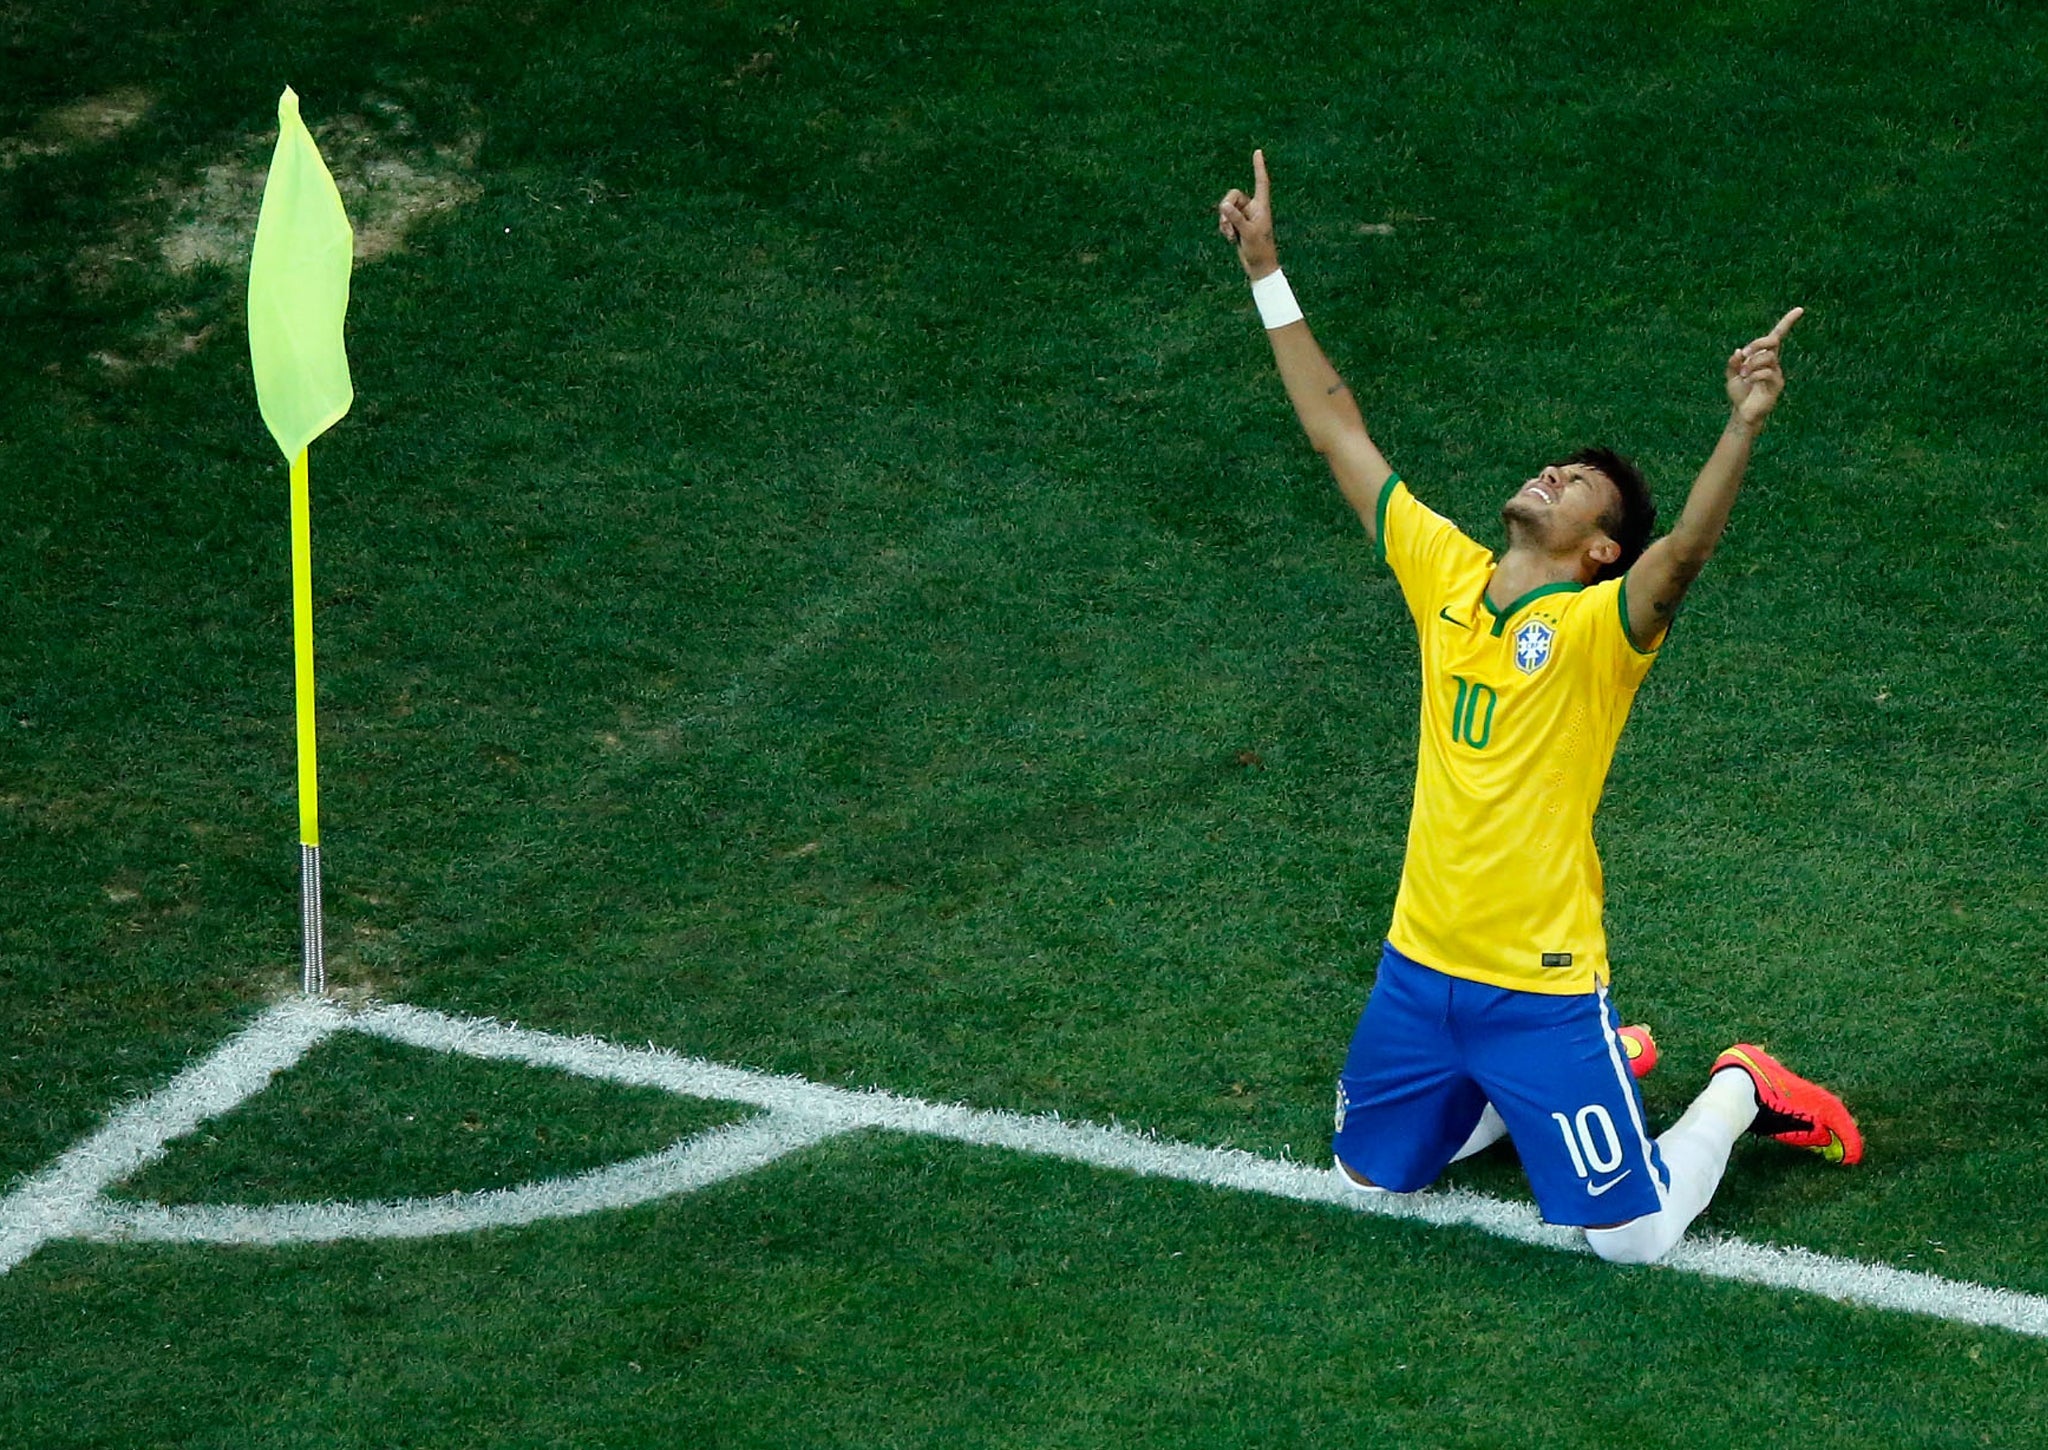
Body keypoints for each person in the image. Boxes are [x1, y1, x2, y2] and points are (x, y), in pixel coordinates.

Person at [1216, 150, 1860, 1265]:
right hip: (1417, 966)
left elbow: (1687, 552)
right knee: (1366, 1173)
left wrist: (1741, 423)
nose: (1552, 474)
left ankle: (1738, 1088)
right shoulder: (1445, 574)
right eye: (1554, 466)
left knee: (1633, 1238)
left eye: (1579, 486)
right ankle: (1525, 1099)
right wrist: (1266, 270)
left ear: (1600, 550)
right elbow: (1336, 428)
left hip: (1539, 987)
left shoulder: (1597, 634)